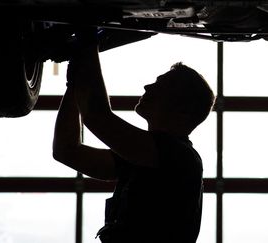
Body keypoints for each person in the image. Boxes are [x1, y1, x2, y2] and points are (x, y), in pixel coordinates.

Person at [52, 33, 215, 243]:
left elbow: (98, 118)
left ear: (182, 111)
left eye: (162, 86)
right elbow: (67, 151)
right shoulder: (149, 157)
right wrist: (75, 84)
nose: (148, 87)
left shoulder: (178, 157)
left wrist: (87, 42)